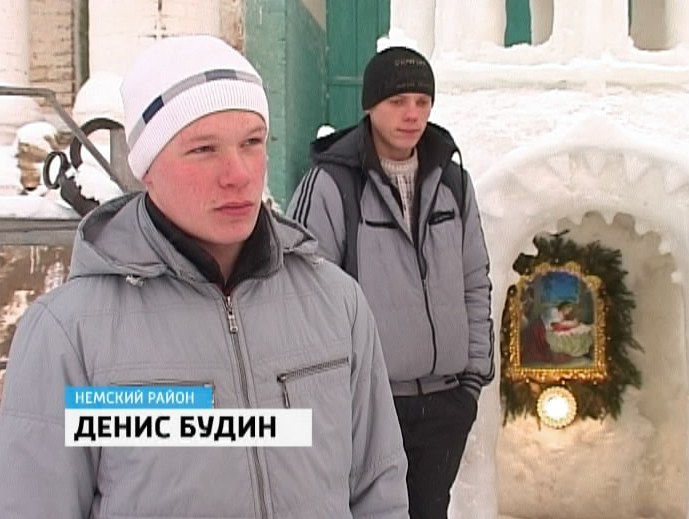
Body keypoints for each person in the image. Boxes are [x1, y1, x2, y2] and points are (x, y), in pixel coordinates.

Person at [0, 35, 409, 518]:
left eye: (252, 142)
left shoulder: (336, 303)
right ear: (146, 168)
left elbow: (378, 491)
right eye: (203, 149)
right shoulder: (70, 334)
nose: (237, 173)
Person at [286, 46, 494, 519]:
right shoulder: (331, 185)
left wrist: (471, 382)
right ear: (370, 105)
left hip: (445, 404)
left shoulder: (454, 183)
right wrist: (332, 398)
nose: (412, 114)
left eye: (422, 101)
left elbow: (474, 282)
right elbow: (303, 297)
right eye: (398, 101)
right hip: (369, 407)